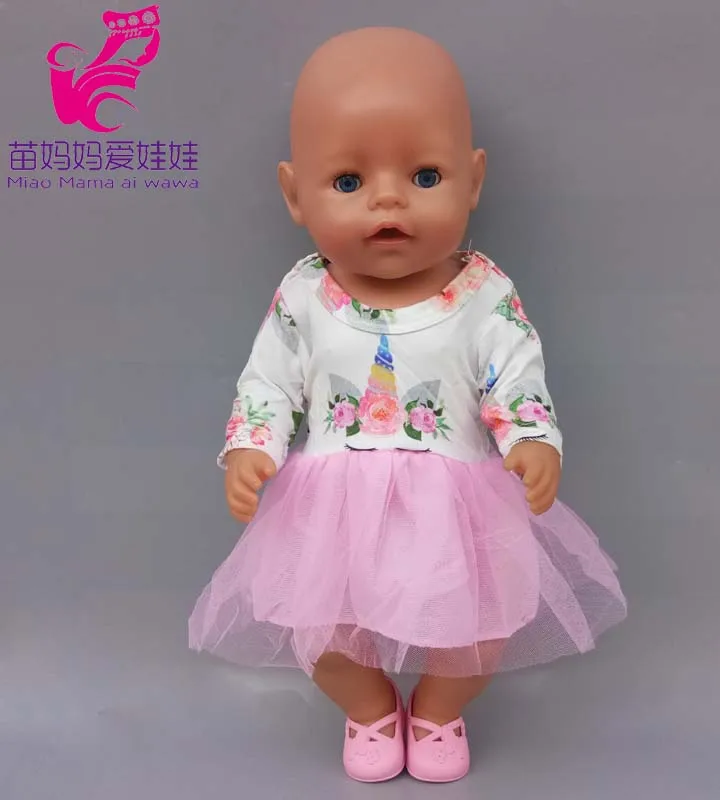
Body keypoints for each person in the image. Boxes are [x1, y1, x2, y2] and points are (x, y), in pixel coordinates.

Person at [188, 26, 627, 784]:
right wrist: (252, 447)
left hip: (455, 507)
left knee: (480, 632)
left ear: (473, 181)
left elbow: (517, 375)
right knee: (321, 630)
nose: (388, 198)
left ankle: (436, 709)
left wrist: (532, 438)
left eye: (425, 175)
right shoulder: (304, 296)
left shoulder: (483, 294)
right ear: (294, 194)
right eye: (348, 181)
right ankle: (368, 709)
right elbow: (269, 381)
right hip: (331, 509)